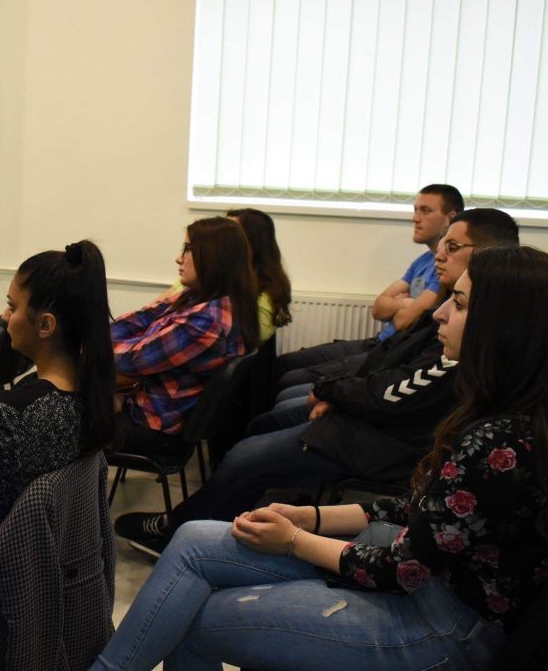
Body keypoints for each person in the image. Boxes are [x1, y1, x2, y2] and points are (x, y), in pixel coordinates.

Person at [91, 245, 548, 670]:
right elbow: (422, 509)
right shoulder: (494, 409)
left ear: (504, 327)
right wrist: (309, 517)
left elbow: (403, 569)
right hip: (421, 576)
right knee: (193, 537)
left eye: (460, 304)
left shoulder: (502, 439)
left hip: (442, 621)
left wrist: (293, 540)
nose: (441, 311)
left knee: (195, 619)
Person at [114, 208, 520, 554]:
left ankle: (182, 532)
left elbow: (396, 391)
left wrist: (334, 394)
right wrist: (336, 393)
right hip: (371, 418)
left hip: (381, 438)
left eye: (453, 246)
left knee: (247, 455)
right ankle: (224, 512)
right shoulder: (453, 311)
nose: (439, 255)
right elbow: (388, 359)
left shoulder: (473, 340)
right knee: (261, 426)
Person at [0, 240, 115, 591]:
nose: (4, 316)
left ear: (45, 325)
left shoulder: (10, 417)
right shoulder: (90, 398)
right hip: (37, 573)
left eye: (12, 306)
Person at [277, 184, 462, 388]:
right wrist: (405, 304)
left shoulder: (444, 270)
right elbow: (378, 309)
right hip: (378, 342)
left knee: (290, 379)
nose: (415, 218)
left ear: (450, 218)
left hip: (390, 352)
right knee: (285, 363)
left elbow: (403, 322)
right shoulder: (422, 261)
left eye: (425, 211)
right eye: (415, 210)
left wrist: (400, 306)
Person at [112, 217, 259, 454]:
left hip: (153, 427)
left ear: (213, 257)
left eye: (188, 249)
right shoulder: (197, 296)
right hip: (142, 404)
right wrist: (95, 339)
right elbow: (141, 318)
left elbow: (133, 360)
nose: (179, 258)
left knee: (58, 414)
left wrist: (90, 346)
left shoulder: (206, 321)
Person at [226, 207, 292, 342]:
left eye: (229, 234)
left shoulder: (269, 292)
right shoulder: (211, 273)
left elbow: (247, 341)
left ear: (254, 242)